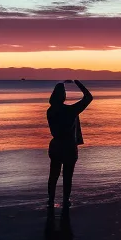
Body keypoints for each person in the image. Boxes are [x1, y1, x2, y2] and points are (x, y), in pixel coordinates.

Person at [47, 80, 93, 208]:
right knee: (67, 176)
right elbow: (89, 97)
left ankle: (50, 200)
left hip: (55, 145)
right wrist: (78, 83)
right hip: (68, 147)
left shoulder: (50, 111)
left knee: (53, 175)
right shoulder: (71, 110)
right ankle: (66, 201)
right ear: (63, 96)